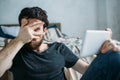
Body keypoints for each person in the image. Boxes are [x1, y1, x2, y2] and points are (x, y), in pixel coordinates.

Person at [0, 7, 120, 80]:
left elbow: (86, 70)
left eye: (36, 29)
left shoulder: (59, 48)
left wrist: (101, 57)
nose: (31, 35)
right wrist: (20, 39)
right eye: (26, 29)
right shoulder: (13, 51)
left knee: (114, 56)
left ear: (44, 31)